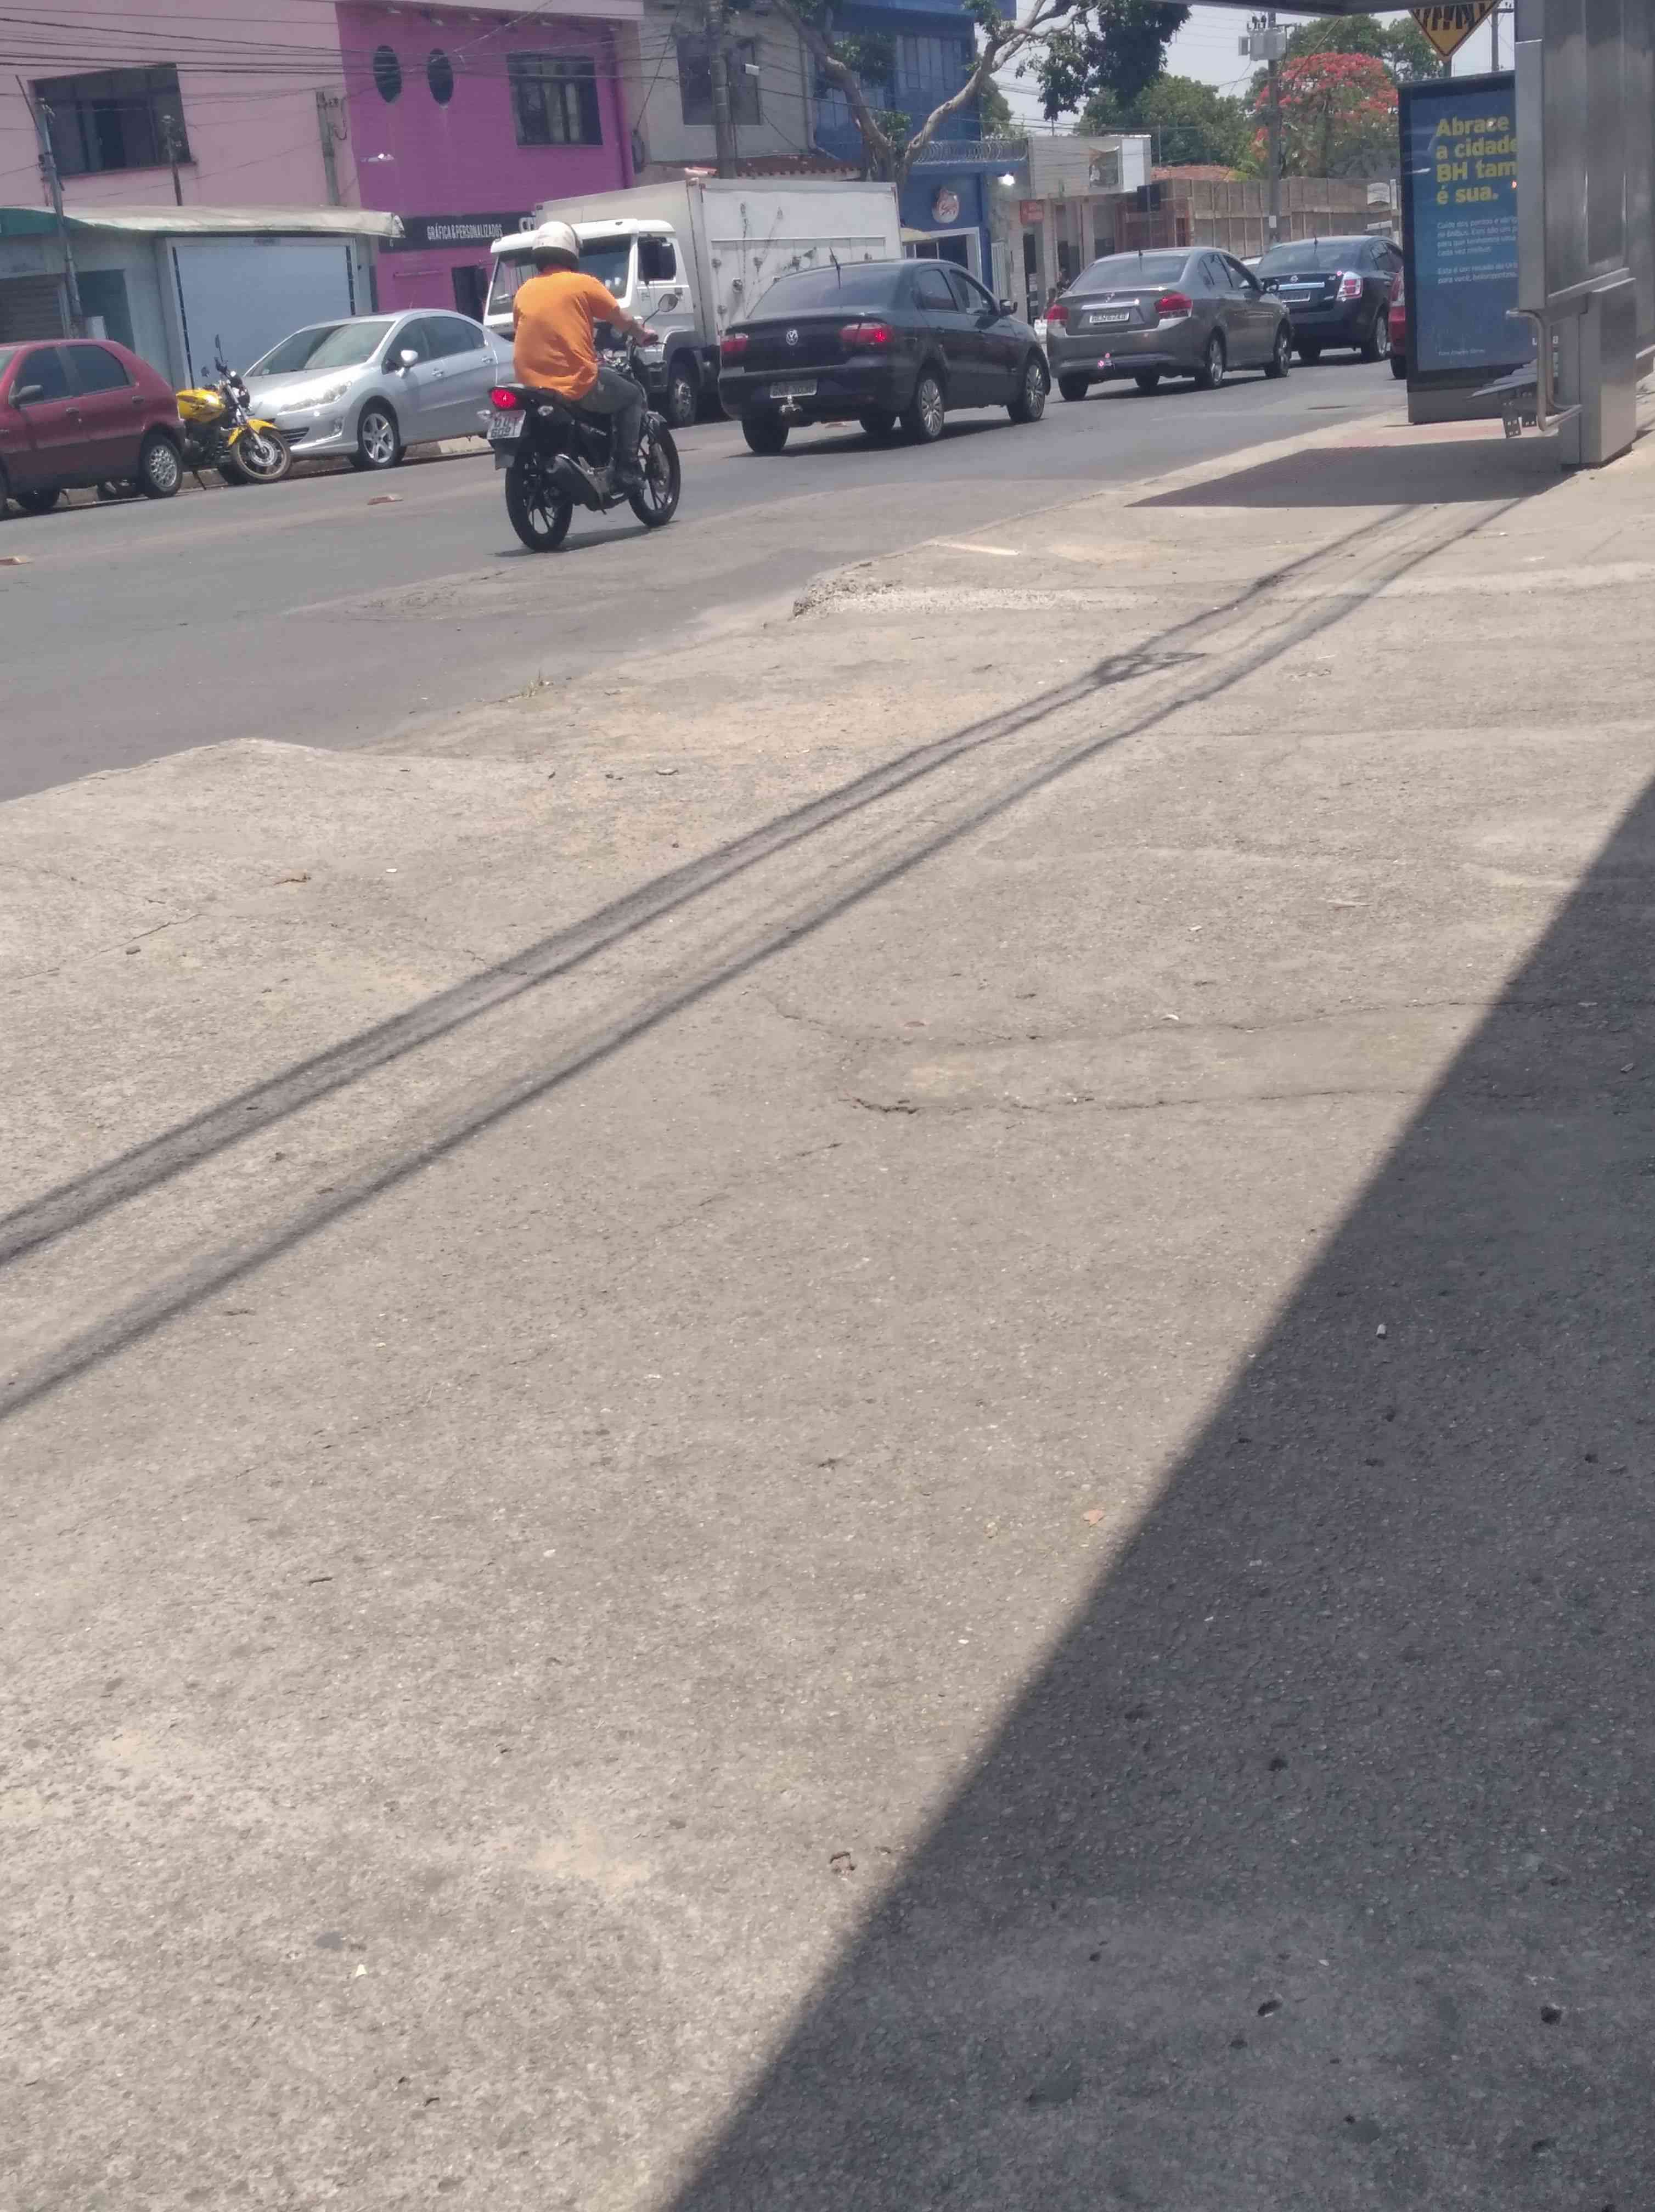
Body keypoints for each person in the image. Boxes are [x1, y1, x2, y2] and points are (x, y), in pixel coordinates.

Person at [511, 221, 659, 490]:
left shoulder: (524, 291)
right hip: (574, 382)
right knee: (632, 396)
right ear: (571, 253)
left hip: (530, 385)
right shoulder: (583, 284)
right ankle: (626, 468)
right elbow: (621, 319)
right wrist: (641, 334)